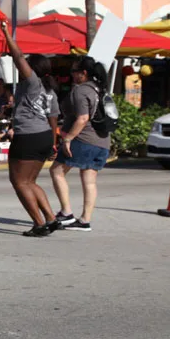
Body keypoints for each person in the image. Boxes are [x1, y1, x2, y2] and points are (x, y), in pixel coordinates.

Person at [0, 21, 60, 236]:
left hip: (28, 136)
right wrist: (53, 143)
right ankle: (51, 218)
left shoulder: (33, 83)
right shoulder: (50, 91)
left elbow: (18, 57)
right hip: (44, 136)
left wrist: (6, 33)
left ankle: (39, 224)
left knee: (19, 181)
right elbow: (53, 118)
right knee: (30, 181)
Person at [50, 56, 112, 232]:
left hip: (84, 139)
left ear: (83, 73)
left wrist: (68, 138)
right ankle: (85, 220)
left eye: (74, 71)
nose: (72, 75)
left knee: (56, 171)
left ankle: (66, 213)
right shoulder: (100, 88)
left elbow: (83, 118)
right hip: (103, 141)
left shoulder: (81, 90)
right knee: (90, 181)